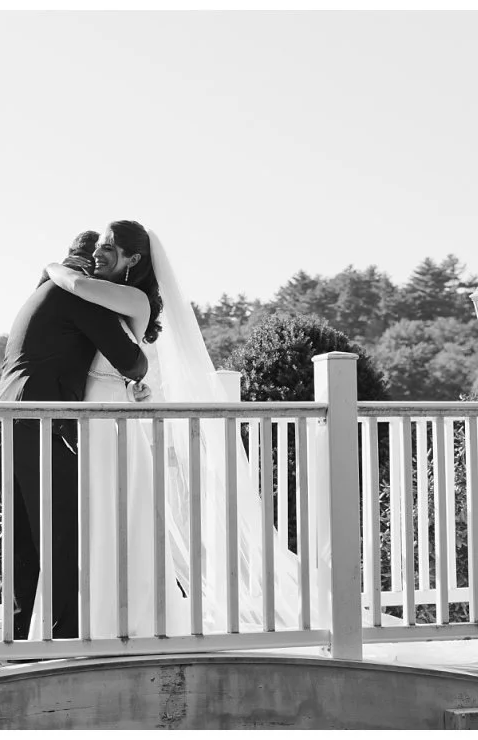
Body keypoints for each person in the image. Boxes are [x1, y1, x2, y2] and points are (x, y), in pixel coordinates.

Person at [42, 221, 305, 636]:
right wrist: (133, 387)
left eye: (110, 247)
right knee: (89, 519)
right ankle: (85, 618)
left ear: (134, 259)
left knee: (108, 516)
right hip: (96, 418)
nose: (99, 252)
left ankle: (123, 619)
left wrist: (54, 266)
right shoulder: (107, 302)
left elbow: (73, 283)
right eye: (100, 246)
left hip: (108, 425)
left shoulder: (130, 298)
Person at [0, 230, 152, 641]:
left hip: (4, 412)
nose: (98, 259)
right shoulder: (78, 296)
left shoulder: (43, 294)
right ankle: (59, 638)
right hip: (39, 417)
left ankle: (22, 632)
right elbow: (130, 359)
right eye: (95, 253)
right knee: (60, 532)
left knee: (25, 535)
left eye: (108, 250)